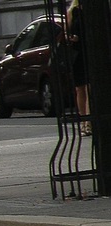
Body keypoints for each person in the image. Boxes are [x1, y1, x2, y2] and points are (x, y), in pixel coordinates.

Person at [67, 0, 91, 136]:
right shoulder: (73, 12)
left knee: (89, 88)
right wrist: (71, 37)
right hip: (77, 55)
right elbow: (66, 33)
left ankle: (89, 123)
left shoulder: (92, 12)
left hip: (89, 53)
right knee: (80, 88)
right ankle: (83, 122)